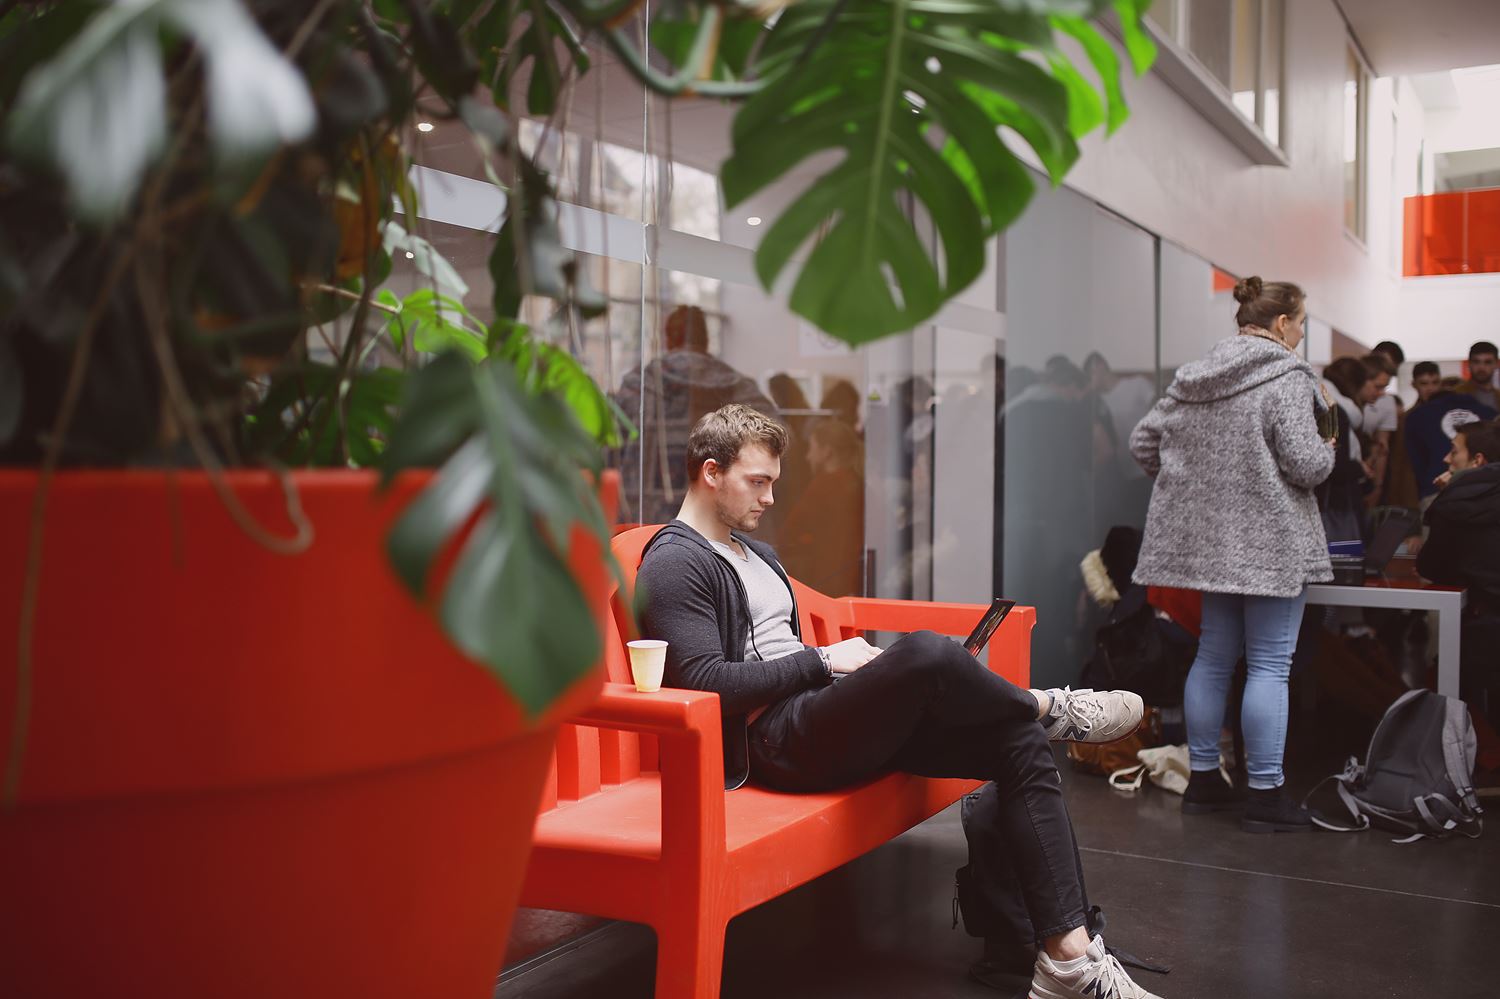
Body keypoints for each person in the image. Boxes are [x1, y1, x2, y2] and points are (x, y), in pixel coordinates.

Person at [636, 404, 1164, 999]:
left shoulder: (753, 553)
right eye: (758, 482)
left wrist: (838, 677)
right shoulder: (677, 561)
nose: (770, 499)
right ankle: (1048, 707)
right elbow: (704, 681)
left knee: (1016, 745)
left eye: (774, 484)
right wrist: (826, 661)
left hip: (823, 714)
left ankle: (1067, 961)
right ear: (710, 473)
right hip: (779, 743)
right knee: (927, 655)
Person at [1130, 276, 1335, 833]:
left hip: (1211, 546)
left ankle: (1203, 781)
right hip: (1272, 542)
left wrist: (1196, 487)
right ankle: (1265, 796)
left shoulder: (1194, 377)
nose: (1303, 331)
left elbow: (1143, 442)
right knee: (1270, 665)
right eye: (1303, 321)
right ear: (1284, 323)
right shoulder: (1289, 378)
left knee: (1214, 658)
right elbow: (1307, 466)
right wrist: (1329, 448)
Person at [614, 306, 778, 524]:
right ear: (706, 339)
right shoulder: (735, 383)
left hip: (647, 506)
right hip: (711, 505)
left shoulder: (639, 383)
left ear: (668, 338)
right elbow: (777, 432)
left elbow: (611, 441)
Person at [1417, 419, 1500, 727]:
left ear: (1477, 460)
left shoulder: (1457, 499)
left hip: (1483, 633)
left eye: (1454, 452)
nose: (1446, 459)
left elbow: (1431, 567)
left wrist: (1449, 494)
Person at [1360, 353, 1399, 506]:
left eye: (1384, 387)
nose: (1381, 393)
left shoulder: (1387, 402)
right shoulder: (1340, 402)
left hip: (1367, 473)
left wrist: (1377, 487)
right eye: (1378, 387)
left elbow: (1382, 447)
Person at [1454, 341, 1499, 411]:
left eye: (1487, 362)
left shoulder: (1498, 396)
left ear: (1496, 364)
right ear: (1469, 363)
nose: (1481, 367)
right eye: (1476, 362)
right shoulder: (1456, 394)